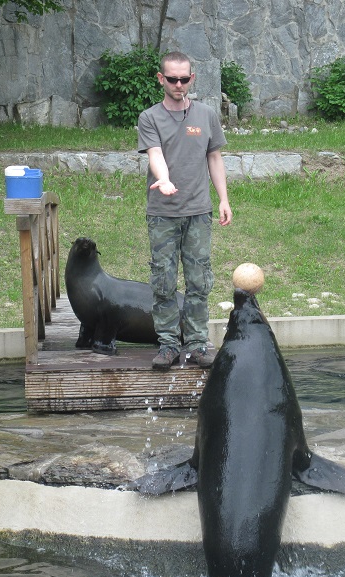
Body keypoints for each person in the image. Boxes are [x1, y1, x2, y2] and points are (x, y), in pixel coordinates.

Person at [137, 51, 233, 370]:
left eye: (184, 79)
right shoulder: (150, 117)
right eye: (172, 79)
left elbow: (214, 157)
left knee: (199, 280)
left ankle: (196, 344)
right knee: (163, 281)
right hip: (162, 213)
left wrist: (223, 199)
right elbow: (155, 153)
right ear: (161, 79)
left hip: (198, 211)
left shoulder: (206, 115)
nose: (179, 85)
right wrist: (163, 179)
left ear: (192, 78)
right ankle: (168, 345)